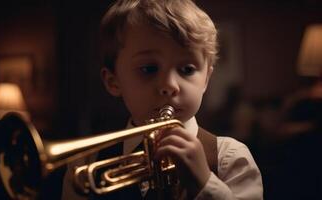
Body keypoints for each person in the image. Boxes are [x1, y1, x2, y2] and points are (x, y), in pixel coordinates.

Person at [62, 0, 263, 199]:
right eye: (149, 69)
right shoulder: (84, 164)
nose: (169, 85)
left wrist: (205, 183)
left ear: (206, 81)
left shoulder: (230, 158)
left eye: (187, 70)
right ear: (113, 82)